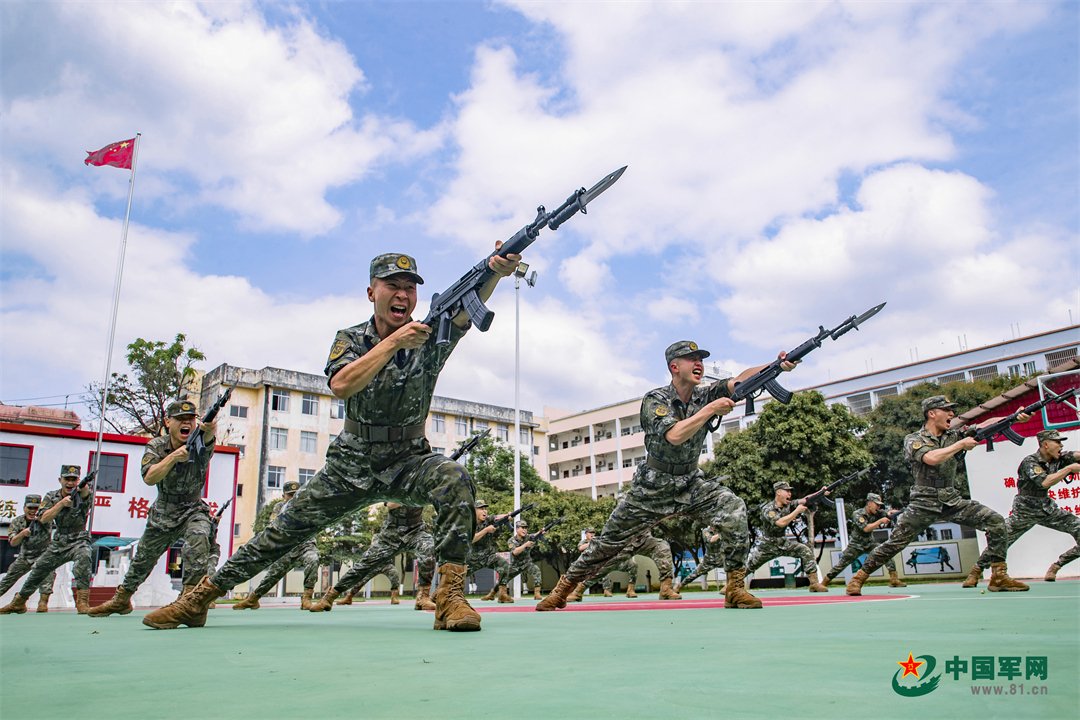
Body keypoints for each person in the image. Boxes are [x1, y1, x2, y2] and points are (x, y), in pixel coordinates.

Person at [142, 248, 520, 632]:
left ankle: (451, 598)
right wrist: (393, 344)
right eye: (393, 286)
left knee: (453, 477)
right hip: (350, 465)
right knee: (281, 533)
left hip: (409, 461)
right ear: (372, 292)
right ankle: (199, 599)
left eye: (410, 287)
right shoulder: (351, 339)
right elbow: (341, 384)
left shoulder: (431, 336)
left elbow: (464, 308)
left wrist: (495, 272)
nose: (402, 295)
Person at [539, 340, 797, 611]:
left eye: (701, 359)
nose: (699, 363)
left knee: (733, 508)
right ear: (674, 367)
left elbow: (741, 380)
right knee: (608, 543)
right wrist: (710, 410)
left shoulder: (705, 394)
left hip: (690, 482)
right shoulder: (656, 399)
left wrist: (777, 365)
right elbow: (674, 435)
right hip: (652, 487)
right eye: (691, 359)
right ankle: (563, 589)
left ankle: (735, 588)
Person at [847, 396, 1030, 595]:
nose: (952, 414)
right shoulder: (914, 439)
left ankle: (999, 576)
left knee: (995, 521)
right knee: (895, 543)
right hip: (923, 502)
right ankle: (858, 578)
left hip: (951, 499)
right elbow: (932, 458)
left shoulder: (954, 434)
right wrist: (960, 445)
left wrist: (1013, 417)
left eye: (952, 410)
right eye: (947, 410)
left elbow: (982, 426)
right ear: (932, 413)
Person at [89, 400, 218, 617]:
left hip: (194, 507)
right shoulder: (156, 446)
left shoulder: (200, 443)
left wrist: (210, 428)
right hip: (165, 509)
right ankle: (122, 599)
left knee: (198, 540)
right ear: (169, 422)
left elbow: (208, 437)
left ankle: (189, 601)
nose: (186, 423)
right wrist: (174, 457)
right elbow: (149, 478)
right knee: (143, 558)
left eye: (191, 419)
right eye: (180, 420)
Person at [963, 429, 1080, 586]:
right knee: (1001, 540)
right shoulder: (1030, 462)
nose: (1061, 445)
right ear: (1046, 444)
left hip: (1047, 508)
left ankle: (1057, 565)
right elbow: (1045, 482)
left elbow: (1076, 455)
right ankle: (976, 571)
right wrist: (1069, 469)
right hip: (1025, 511)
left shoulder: (1060, 457)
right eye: (1057, 442)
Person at [0, 465, 94, 614]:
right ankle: (19, 601)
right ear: (60, 480)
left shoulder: (83, 493)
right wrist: (61, 504)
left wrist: (83, 488)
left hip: (79, 538)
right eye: (66, 479)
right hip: (59, 540)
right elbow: (43, 518)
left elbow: (86, 495)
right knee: (39, 569)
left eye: (74, 479)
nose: (70, 483)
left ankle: (82, 602)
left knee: (84, 558)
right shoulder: (51, 497)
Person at [308, 502, 436, 611]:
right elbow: (391, 504)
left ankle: (423, 597)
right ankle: (330, 596)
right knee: (363, 566)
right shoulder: (395, 480)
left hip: (416, 530)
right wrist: (413, 495)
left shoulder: (423, 480)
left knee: (428, 548)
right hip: (391, 533)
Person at [231, 480, 321, 610]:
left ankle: (307, 598)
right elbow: (274, 526)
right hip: (286, 548)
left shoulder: (307, 506)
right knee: (273, 574)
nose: (293, 497)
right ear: (284, 496)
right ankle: (253, 599)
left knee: (313, 559)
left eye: (296, 494)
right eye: (290, 495)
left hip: (305, 546)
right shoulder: (279, 508)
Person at [745, 481, 829, 592]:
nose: (789, 494)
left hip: (783, 542)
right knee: (749, 566)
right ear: (778, 492)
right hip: (768, 544)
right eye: (787, 491)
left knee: (805, 550)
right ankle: (730, 585)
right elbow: (780, 523)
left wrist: (821, 492)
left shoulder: (788, 504)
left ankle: (814, 584)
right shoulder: (768, 509)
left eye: (790, 492)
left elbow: (806, 500)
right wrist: (796, 511)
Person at [822, 493, 906, 588]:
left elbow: (887, 514)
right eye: (876, 504)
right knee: (841, 564)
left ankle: (894, 579)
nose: (878, 507)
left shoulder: (877, 512)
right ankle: (823, 583)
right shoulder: (858, 514)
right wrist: (880, 521)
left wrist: (894, 513)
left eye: (879, 505)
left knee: (885, 552)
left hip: (870, 543)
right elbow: (866, 528)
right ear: (869, 503)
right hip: (856, 545)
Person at [0, 494, 56, 612]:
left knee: (48, 572)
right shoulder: (17, 521)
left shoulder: (46, 519)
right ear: (24, 508)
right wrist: (22, 534)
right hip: (25, 557)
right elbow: (13, 542)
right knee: (8, 578)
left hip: (43, 555)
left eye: (35, 508)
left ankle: (43, 602)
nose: (32, 511)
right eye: (30, 508)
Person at [469, 500, 514, 603]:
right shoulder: (469, 522)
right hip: (472, 558)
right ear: (473, 510)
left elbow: (498, 517)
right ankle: (437, 596)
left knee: (504, 566)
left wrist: (508, 515)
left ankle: (502, 595)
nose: (484, 511)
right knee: (455, 578)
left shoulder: (488, 520)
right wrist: (486, 530)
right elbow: (472, 539)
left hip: (489, 556)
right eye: (481, 508)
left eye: (485, 508)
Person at [673, 524, 724, 593]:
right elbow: (711, 540)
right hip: (709, 559)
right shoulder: (705, 531)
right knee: (695, 573)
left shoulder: (721, 530)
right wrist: (722, 534)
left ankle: (729, 586)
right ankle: (679, 586)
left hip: (721, 558)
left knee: (736, 569)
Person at [502, 521, 545, 600]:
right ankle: (501, 594)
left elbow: (535, 535)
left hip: (527, 563)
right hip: (515, 565)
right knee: (504, 578)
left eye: (526, 528)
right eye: (522, 528)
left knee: (536, 571)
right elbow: (515, 552)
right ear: (517, 529)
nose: (524, 530)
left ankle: (537, 593)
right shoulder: (511, 540)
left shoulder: (528, 537)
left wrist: (541, 532)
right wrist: (525, 545)